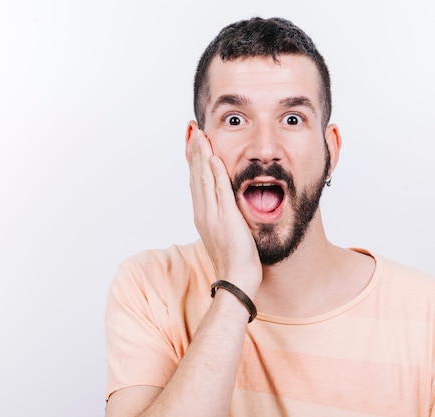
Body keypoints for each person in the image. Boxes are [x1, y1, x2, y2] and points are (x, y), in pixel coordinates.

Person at [104, 17, 435, 417]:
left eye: (292, 119)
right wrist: (236, 287)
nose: (264, 149)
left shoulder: (426, 314)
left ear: (331, 150)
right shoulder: (150, 287)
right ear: (196, 148)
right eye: (235, 119)